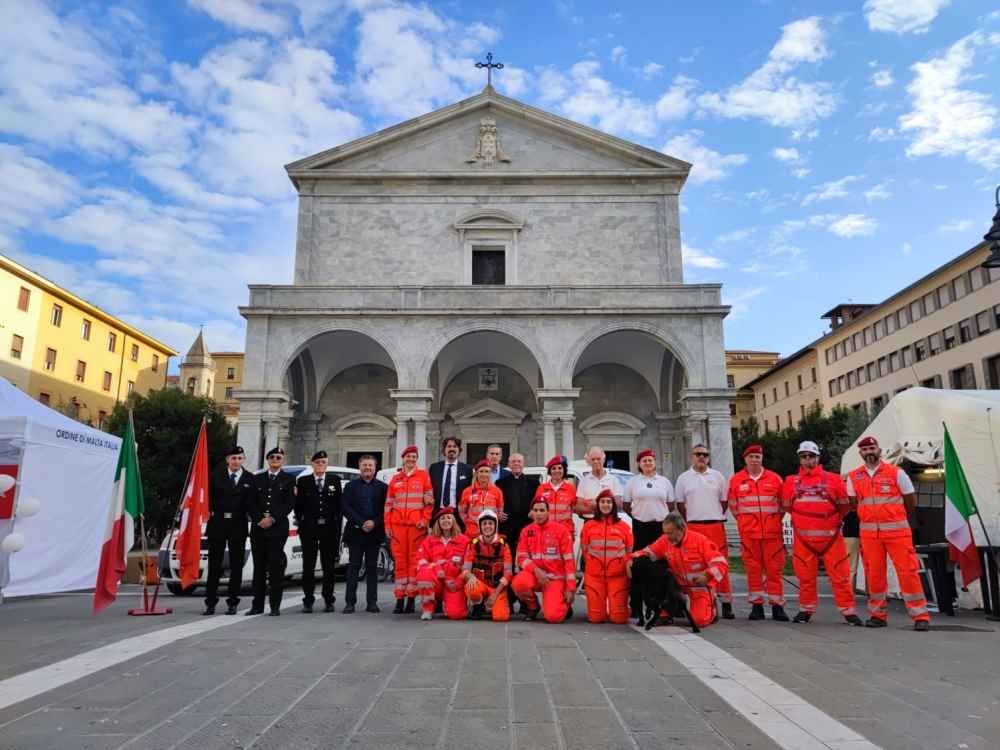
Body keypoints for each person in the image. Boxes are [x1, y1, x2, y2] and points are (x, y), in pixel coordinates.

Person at [846, 436, 930, 631]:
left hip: (897, 531)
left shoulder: (896, 473)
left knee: (908, 572)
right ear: (860, 453)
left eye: (872, 448)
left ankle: (920, 615)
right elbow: (853, 503)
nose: (869, 452)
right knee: (874, 574)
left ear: (879, 449)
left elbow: (910, 501)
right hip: (870, 535)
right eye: (865, 449)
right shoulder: (853, 477)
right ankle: (877, 615)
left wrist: (894, 516)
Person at [781, 441, 862, 626]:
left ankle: (848, 611)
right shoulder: (791, 482)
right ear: (799, 459)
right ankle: (806, 610)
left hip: (831, 539)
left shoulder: (834, 480)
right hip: (804, 540)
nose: (807, 460)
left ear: (818, 458)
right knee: (805, 577)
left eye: (811, 456)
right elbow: (787, 507)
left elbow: (844, 507)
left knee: (841, 576)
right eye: (804, 456)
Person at [628, 512, 729, 628]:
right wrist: (631, 560)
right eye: (665, 533)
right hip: (676, 585)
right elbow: (647, 552)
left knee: (699, 621)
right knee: (650, 568)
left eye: (670, 533)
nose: (668, 536)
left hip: (698, 586)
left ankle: (712, 608)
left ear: (681, 529)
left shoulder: (700, 541)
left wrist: (707, 576)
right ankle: (665, 613)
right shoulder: (665, 540)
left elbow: (720, 562)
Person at [727, 445, 789, 622]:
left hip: (772, 534)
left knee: (774, 570)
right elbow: (734, 507)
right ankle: (756, 606)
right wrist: (746, 523)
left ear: (762, 459)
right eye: (751, 457)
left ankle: (777, 606)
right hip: (749, 534)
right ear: (745, 459)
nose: (754, 460)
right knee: (753, 570)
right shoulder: (736, 480)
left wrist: (772, 521)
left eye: (757, 456)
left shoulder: (775, 479)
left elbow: (783, 505)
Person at [673, 444, 734, 619]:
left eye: (705, 455)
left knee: (719, 564)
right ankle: (701, 601)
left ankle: (726, 602)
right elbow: (680, 504)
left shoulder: (718, 476)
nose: (701, 457)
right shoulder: (683, 478)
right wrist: (691, 519)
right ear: (692, 456)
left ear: (708, 458)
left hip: (715, 526)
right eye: (698, 454)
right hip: (694, 526)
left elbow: (724, 502)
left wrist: (712, 515)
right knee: (695, 565)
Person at [203, 445, 254, 616]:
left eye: (239, 458)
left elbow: (253, 503)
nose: (236, 461)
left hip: (238, 525)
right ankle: (210, 603)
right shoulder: (215, 476)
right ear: (227, 459)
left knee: (236, 566)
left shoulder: (249, 478)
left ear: (243, 459)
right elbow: (207, 499)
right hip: (218, 523)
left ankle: (233, 603)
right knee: (214, 565)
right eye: (233, 458)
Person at [623, 449, 673, 621]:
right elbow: (626, 505)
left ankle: (663, 605)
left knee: (662, 566)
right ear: (639, 464)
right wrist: (638, 516)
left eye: (650, 460)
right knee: (638, 566)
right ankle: (636, 606)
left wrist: (659, 516)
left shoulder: (664, 482)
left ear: (655, 462)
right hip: (640, 527)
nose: (647, 463)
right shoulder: (633, 482)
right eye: (644, 461)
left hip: (660, 528)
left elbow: (671, 504)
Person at [384, 445, 434, 614]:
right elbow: (388, 505)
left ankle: (411, 598)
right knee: (399, 563)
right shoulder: (395, 479)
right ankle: (399, 598)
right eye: (408, 456)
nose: (411, 459)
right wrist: (388, 526)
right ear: (403, 458)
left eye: (414, 457)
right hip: (397, 528)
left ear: (416, 459)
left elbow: (429, 502)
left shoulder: (424, 476)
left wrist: (425, 520)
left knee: (414, 563)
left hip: (416, 528)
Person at [247, 447, 295, 616]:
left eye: (279, 457)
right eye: (272, 457)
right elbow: (250, 502)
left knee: (275, 568)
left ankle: (275, 606)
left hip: (277, 529)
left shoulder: (289, 479)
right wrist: (259, 519)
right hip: (258, 528)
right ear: (268, 460)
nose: (275, 459)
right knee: (259, 568)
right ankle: (257, 605)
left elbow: (289, 504)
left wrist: (272, 518)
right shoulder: (257, 479)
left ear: (282, 460)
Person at [512, 498, 576, 623]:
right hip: (535, 575)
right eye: (536, 510)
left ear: (548, 512)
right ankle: (533, 607)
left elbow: (569, 561)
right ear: (532, 512)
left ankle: (564, 603)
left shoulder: (561, 531)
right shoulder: (526, 531)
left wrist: (570, 588)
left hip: (555, 578)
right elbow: (521, 557)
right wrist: (536, 570)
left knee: (553, 617)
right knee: (518, 583)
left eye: (542, 510)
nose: (539, 513)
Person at [294, 450, 343, 613]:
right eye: (318, 462)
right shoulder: (303, 481)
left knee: (328, 566)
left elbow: (339, 506)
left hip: (329, 529)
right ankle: (308, 600)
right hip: (309, 529)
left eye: (323, 462)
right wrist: (302, 522)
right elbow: (298, 506)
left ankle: (329, 600)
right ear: (313, 464)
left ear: (327, 464)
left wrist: (337, 528)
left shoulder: (334, 480)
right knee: (308, 566)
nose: (320, 465)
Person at [341, 455, 386, 613]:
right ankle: (350, 603)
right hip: (355, 532)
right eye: (365, 465)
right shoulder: (350, 486)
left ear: (375, 468)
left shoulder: (383, 487)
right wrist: (362, 523)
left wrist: (374, 522)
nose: (367, 468)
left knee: (372, 568)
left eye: (370, 465)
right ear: (360, 467)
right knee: (353, 567)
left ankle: (372, 603)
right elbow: (345, 507)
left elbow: (386, 509)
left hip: (375, 532)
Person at [580, 489, 633, 624]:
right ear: (598, 505)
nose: (605, 505)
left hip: (618, 576)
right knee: (596, 618)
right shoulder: (588, 526)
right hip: (594, 576)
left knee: (619, 619)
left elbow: (629, 551)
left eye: (608, 502)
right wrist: (592, 565)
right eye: (602, 502)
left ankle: (622, 607)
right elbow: (585, 550)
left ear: (613, 505)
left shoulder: (624, 526)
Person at [414, 507, 469, 621]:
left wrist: (458, 582)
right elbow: (420, 560)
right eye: (442, 518)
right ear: (438, 523)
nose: (446, 520)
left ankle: (448, 604)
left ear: (453, 521)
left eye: (448, 518)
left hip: (453, 583)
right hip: (436, 580)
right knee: (424, 573)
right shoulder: (429, 540)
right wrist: (437, 568)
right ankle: (428, 608)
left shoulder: (464, 540)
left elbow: (468, 566)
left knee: (456, 614)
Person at [461, 509, 512, 621]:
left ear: (495, 526)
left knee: (501, 617)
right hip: (480, 585)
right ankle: (477, 605)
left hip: (497, 587)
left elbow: (508, 573)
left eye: (490, 523)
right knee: (472, 587)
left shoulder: (504, 545)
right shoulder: (473, 544)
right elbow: (465, 569)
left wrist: (495, 594)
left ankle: (489, 605)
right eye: (484, 524)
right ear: (480, 526)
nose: (487, 526)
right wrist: (470, 576)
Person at [496, 452, 539, 567]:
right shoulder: (500, 483)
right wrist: (498, 513)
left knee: (527, 552)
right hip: (507, 524)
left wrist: (534, 511)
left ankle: (525, 575)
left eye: (519, 461)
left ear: (524, 464)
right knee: (508, 553)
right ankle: (508, 575)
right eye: (513, 461)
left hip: (527, 523)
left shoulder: (534, 483)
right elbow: (495, 502)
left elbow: (538, 501)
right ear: (509, 464)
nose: (516, 464)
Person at [534, 455, 578, 538]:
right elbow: (535, 510)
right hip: (546, 531)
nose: (557, 471)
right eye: (553, 468)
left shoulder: (571, 489)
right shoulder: (542, 488)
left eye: (560, 468)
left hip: (565, 532)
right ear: (550, 471)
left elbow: (576, 508)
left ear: (564, 470)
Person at [459, 459, 505, 536]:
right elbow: (462, 512)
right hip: (472, 532)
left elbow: (499, 511)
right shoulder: (467, 491)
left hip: (490, 532)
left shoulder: (497, 491)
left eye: (487, 471)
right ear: (476, 474)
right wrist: (470, 523)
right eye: (481, 471)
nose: (484, 474)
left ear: (490, 474)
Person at [429, 436, 472, 517]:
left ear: (459, 450)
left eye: (455, 446)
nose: (452, 449)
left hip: (459, 513)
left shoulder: (467, 469)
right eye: (449, 446)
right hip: (438, 512)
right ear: (444, 450)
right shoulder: (434, 468)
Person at [576, 446, 622, 516]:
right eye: (593, 459)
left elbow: (618, 505)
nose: (596, 461)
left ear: (604, 459)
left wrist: (596, 504)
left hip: (609, 520)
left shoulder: (614, 480)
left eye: (598, 459)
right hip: (590, 520)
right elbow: (578, 507)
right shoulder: (583, 481)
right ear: (589, 461)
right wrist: (597, 509)